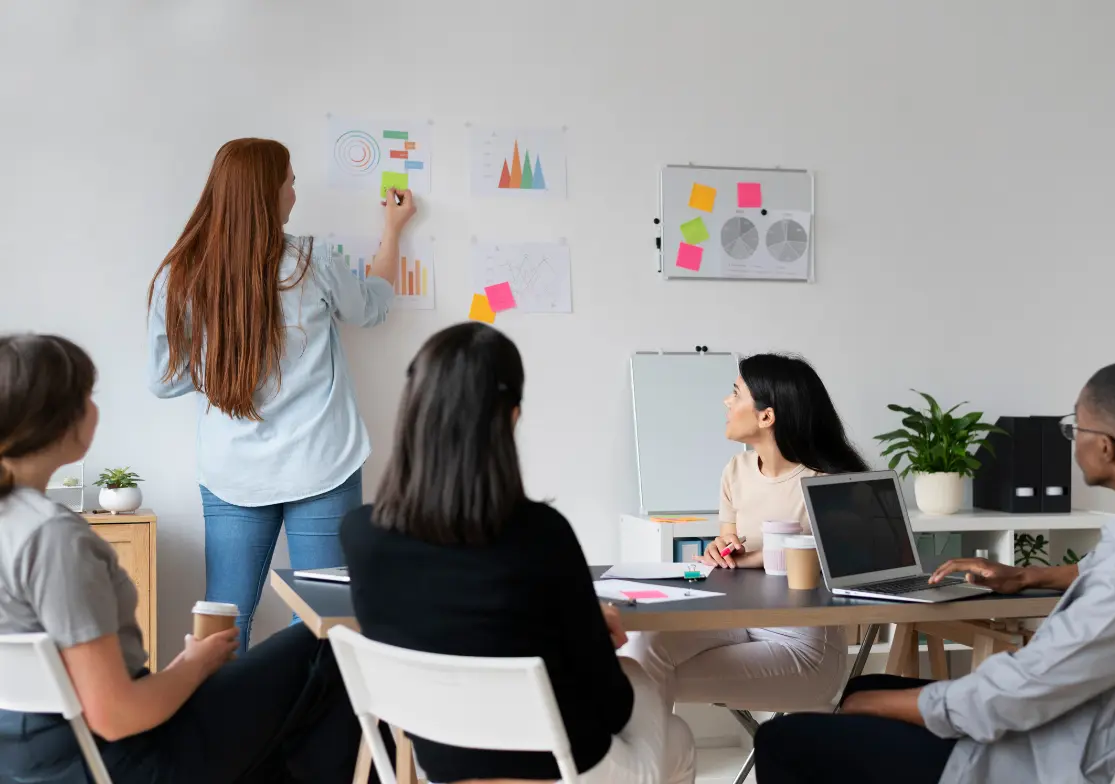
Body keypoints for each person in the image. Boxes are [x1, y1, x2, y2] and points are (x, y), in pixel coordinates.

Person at [754, 360, 1115, 784]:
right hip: (1112, 727)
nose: (1072, 439)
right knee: (868, 685)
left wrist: (877, 705)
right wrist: (1028, 576)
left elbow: (1011, 699)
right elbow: (1109, 576)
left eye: (1075, 428)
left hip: (1048, 758)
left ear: (1107, 447)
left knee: (785, 738)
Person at [340, 322, 696, 784]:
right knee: (669, 721)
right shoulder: (543, 537)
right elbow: (611, 707)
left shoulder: (361, 536)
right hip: (562, 772)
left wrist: (577, 632)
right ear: (510, 417)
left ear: (413, 410)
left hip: (444, 770)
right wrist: (587, 635)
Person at [0, 334, 361, 782]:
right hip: (118, 761)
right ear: (60, 421)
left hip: (28, 760)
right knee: (326, 648)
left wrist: (183, 666)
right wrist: (195, 666)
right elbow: (114, 716)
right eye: (87, 396)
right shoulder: (53, 539)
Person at [146, 137, 416, 653]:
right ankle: (298, 725)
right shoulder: (310, 261)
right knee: (323, 615)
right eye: (290, 181)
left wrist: (219, 364)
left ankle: (224, 729)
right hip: (322, 463)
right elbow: (373, 309)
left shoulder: (181, 272)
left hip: (232, 470)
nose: (295, 192)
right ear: (268, 192)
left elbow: (163, 379)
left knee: (224, 618)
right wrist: (392, 231)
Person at [626, 353, 869, 712]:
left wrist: (753, 558)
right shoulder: (736, 470)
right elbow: (730, 555)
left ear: (766, 416)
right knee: (639, 646)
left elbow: (834, 563)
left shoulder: (828, 483)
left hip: (802, 647)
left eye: (736, 393)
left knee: (639, 676)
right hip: (738, 621)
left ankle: (649, 765)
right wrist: (720, 551)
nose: (727, 401)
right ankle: (648, 763)